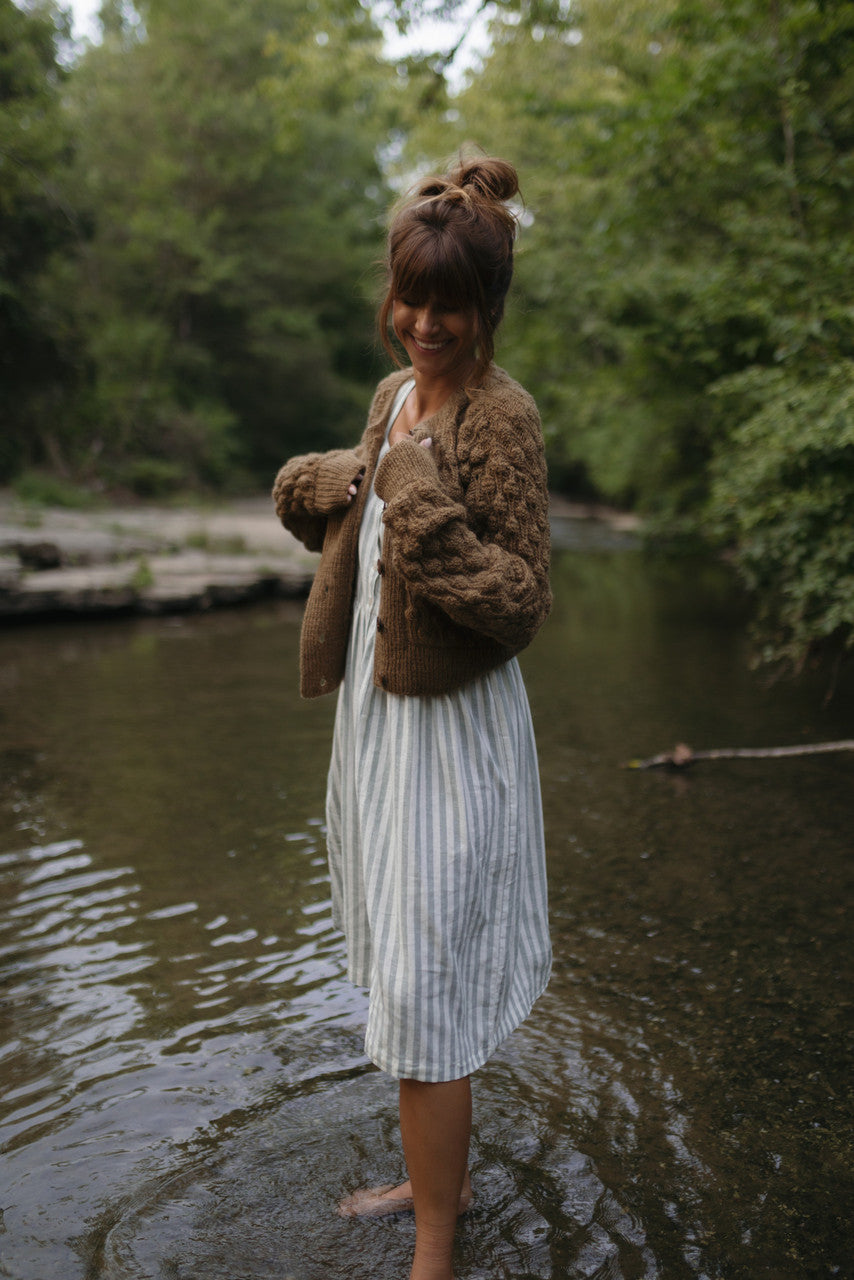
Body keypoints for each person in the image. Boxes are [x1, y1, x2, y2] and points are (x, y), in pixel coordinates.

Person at [272, 154, 552, 1280]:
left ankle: (435, 1243)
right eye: (410, 299)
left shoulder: (504, 417)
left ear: (487, 309)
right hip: (383, 730)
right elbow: (370, 526)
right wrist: (335, 479)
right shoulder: (392, 397)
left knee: (431, 987)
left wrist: (421, 499)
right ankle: (436, 1182)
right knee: (404, 969)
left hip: (454, 734)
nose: (424, 323)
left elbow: (519, 601)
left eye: (450, 306)